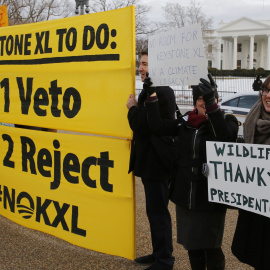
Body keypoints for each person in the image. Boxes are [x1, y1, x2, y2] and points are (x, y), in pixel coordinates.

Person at [145, 74, 238, 270]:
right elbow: (158, 127)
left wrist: (212, 104)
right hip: (186, 196)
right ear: (195, 102)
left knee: (212, 248)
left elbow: (224, 138)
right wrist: (151, 96)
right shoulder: (185, 122)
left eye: (208, 98)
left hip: (210, 199)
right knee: (193, 248)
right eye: (200, 99)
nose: (204, 103)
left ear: (215, 99)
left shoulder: (227, 120)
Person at [126, 51, 175, 270]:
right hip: (150, 161)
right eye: (140, 64)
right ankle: (158, 253)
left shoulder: (161, 91)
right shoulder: (152, 90)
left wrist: (132, 108)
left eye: (144, 64)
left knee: (158, 212)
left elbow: (143, 126)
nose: (140, 68)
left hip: (156, 162)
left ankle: (164, 259)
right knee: (154, 211)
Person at [231, 75, 270, 270]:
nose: (268, 95)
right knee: (257, 256)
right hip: (256, 207)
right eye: (266, 90)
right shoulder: (254, 116)